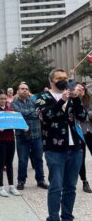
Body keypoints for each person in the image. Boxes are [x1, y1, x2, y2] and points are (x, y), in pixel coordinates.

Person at [35, 69, 87, 221]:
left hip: (75, 147)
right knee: (56, 186)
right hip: (54, 148)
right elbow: (45, 116)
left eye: (65, 78)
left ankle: (67, 217)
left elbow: (82, 117)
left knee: (71, 186)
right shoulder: (41, 96)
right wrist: (62, 101)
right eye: (59, 78)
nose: (63, 80)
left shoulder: (72, 95)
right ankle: (53, 217)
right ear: (51, 80)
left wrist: (76, 99)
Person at [11, 83, 48, 191]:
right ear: (18, 91)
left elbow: (37, 113)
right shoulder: (13, 104)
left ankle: (40, 180)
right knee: (22, 160)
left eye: (26, 89)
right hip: (22, 136)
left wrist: (28, 113)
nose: (25, 91)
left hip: (36, 135)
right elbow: (19, 114)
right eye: (22, 89)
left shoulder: (34, 101)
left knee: (39, 159)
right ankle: (21, 181)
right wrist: (33, 112)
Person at [0, 89, 21, 197]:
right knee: (0, 164)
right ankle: (1, 187)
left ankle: (11, 186)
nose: (3, 100)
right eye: (1, 98)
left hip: (10, 139)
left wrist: (20, 125)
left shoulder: (10, 110)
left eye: (5, 98)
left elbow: (16, 122)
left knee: (9, 163)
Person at [76, 83, 92, 193]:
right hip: (78, 132)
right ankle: (84, 181)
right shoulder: (71, 101)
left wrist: (84, 114)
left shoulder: (89, 99)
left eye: (83, 89)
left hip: (90, 131)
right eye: (79, 88)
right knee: (81, 158)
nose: (81, 90)